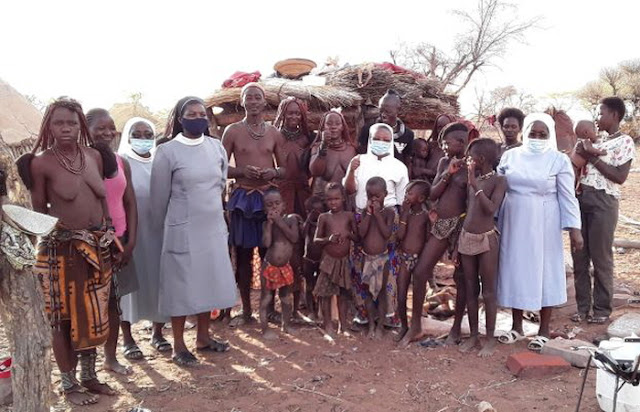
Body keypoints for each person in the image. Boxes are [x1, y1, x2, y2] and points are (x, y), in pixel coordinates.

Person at [25, 97, 118, 405]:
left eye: (71, 123)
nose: (66, 129)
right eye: (59, 123)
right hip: (59, 252)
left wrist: (107, 230)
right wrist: (65, 235)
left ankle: (90, 377)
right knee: (62, 319)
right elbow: (38, 212)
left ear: (80, 126)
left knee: (93, 313)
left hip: (96, 247)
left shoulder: (93, 155)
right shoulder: (41, 162)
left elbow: (103, 201)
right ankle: (69, 383)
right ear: (49, 127)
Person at [151, 96, 236, 366]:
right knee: (181, 285)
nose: (198, 117)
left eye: (202, 113)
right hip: (182, 230)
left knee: (207, 282)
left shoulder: (215, 147)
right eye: (192, 113)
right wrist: (161, 232)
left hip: (212, 228)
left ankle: (203, 337)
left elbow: (220, 184)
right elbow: (158, 199)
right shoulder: (167, 151)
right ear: (180, 118)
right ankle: (178, 345)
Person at [496, 113, 583, 352]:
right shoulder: (510, 156)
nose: (536, 138)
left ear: (550, 136)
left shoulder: (558, 160)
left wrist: (575, 230)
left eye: (542, 134)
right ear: (525, 133)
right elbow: (498, 188)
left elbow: (567, 196)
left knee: (543, 270)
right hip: (513, 218)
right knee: (515, 268)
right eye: (532, 134)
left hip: (544, 221)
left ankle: (544, 330)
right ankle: (516, 327)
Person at [399, 122, 469, 348]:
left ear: (462, 142)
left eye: (447, 143)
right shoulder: (444, 162)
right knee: (420, 272)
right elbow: (433, 192)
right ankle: (416, 325)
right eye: (442, 143)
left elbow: (471, 201)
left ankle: (456, 329)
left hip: (462, 225)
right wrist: (449, 174)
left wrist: (462, 235)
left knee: (461, 277)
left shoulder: (472, 166)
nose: (444, 146)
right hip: (442, 224)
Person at [222, 83, 286, 326]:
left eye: (258, 97)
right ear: (242, 101)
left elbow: (284, 168)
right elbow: (221, 166)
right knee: (244, 256)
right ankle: (246, 310)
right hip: (243, 199)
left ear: (264, 102)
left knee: (270, 254)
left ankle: (268, 308)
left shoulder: (273, 133)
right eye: (249, 98)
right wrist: (241, 170)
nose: (254, 102)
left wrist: (272, 172)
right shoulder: (233, 131)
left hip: (267, 200)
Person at [571, 97, 635, 324]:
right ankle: (581, 308)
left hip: (603, 202)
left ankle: (601, 310)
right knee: (579, 256)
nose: (597, 118)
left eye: (600, 113)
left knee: (601, 257)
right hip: (581, 200)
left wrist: (591, 158)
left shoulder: (625, 142)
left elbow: (619, 177)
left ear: (614, 115)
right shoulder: (595, 141)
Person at [86, 108, 139, 375]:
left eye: (111, 128)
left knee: (113, 303)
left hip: (119, 240)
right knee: (88, 307)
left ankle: (111, 358)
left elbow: (129, 202)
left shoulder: (120, 162)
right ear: (87, 130)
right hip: (88, 243)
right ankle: (87, 368)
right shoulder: (80, 162)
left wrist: (130, 242)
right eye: (100, 129)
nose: (107, 133)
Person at [345, 123, 409, 328]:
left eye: (386, 139)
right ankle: (362, 312)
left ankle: (389, 313)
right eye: (377, 138)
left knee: (388, 268)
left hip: (388, 217)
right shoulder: (359, 161)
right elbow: (348, 190)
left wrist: (399, 226)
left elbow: (402, 200)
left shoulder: (399, 167)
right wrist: (350, 171)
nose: (381, 142)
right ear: (370, 139)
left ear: (391, 142)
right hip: (362, 216)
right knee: (359, 267)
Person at [117, 117, 171, 356]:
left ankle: (157, 333)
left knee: (159, 280)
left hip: (159, 231)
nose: (143, 139)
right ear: (127, 137)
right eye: (137, 134)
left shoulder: (161, 161)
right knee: (129, 285)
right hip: (132, 235)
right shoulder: (122, 163)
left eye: (148, 134)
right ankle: (127, 339)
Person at [457, 138, 506, 357]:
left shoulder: (499, 181)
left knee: (488, 291)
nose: (468, 160)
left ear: (482, 159)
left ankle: (490, 338)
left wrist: (476, 188)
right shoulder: (473, 179)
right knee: (470, 288)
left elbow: (490, 209)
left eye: (471, 157)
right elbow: (469, 210)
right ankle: (474, 335)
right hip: (467, 237)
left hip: (487, 240)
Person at [313, 182, 358, 338]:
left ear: (343, 198)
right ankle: (327, 325)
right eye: (330, 199)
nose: (333, 202)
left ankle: (343, 325)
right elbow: (316, 240)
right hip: (328, 262)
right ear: (326, 200)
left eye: (337, 199)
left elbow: (358, 237)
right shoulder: (324, 217)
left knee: (343, 294)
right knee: (325, 294)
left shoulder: (349, 216)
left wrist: (348, 235)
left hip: (344, 261)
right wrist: (328, 239)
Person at [358, 177, 395, 339]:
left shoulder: (388, 213)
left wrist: (377, 214)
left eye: (377, 196)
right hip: (366, 259)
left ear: (385, 195)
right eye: (369, 196)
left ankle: (380, 325)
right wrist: (368, 214)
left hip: (382, 259)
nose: (373, 200)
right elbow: (361, 233)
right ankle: (371, 324)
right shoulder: (363, 213)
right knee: (367, 292)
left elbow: (386, 233)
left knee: (380, 292)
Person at [259, 188, 299, 338]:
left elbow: (294, 238)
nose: (274, 207)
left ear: (284, 205)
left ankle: (286, 325)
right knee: (266, 298)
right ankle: (265, 330)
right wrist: (270, 225)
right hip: (269, 267)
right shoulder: (266, 224)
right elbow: (266, 243)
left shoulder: (290, 220)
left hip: (285, 267)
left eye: (277, 203)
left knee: (285, 297)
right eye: (269, 205)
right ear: (265, 209)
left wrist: (279, 222)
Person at [395, 180, 431, 343]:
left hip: (418, 259)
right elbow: (400, 236)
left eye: (410, 193)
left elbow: (427, 240)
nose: (406, 196)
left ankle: (415, 327)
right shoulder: (406, 214)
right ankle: (404, 325)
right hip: (404, 258)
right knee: (401, 294)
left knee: (417, 294)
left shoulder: (425, 216)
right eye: (406, 192)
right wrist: (404, 214)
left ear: (421, 198)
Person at [273, 97, 313, 217]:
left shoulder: (307, 138)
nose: (294, 117)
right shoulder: (275, 136)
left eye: (297, 113)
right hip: (281, 191)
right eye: (290, 113)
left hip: (303, 191)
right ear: (283, 114)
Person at [309, 110, 357, 200]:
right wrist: (323, 146)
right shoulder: (317, 147)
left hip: (345, 200)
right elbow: (315, 171)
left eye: (337, 123)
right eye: (329, 124)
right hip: (322, 199)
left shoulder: (351, 149)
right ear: (323, 126)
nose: (333, 127)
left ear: (343, 127)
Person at [357, 89, 415, 164]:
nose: (383, 115)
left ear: (399, 111)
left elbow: (407, 162)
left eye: (388, 112)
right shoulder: (369, 130)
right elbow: (361, 156)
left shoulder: (408, 134)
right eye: (381, 111)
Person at [302, 196, 326, 320]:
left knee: (320, 285)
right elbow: (302, 234)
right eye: (314, 211)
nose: (317, 214)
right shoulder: (308, 225)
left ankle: (320, 309)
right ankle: (310, 310)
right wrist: (308, 219)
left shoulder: (324, 223)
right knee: (309, 285)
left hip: (321, 259)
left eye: (319, 211)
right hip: (308, 259)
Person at [570, 120, 607, 189]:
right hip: (573, 167)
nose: (596, 133)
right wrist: (600, 152)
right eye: (594, 131)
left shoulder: (579, 142)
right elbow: (588, 149)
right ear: (586, 133)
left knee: (576, 182)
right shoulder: (585, 141)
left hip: (574, 166)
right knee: (572, 183)